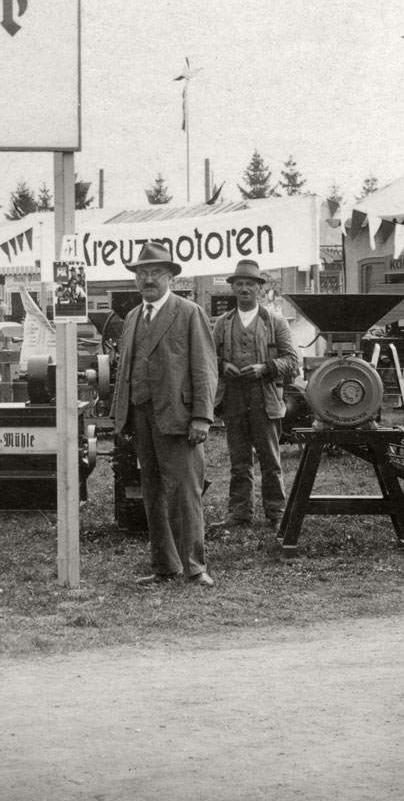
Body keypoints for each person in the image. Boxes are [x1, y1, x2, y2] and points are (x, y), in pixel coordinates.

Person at [110, 242, 219, 587]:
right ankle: (164, 566)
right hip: (142, 415)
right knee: (151, 490)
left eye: (156, 273)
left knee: (185, 492)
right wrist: (120, 416)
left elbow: (204, 368)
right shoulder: (131, 317)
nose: (148, 279)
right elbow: (124, 369)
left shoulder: (188, 312)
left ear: (170, 276)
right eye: (142, 273)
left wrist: (201, 416)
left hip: (178, 416)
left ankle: (195, 567)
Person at [210, 260, 300, 529]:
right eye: (240, 284)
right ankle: (239, 514)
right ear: (233, 289)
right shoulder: (222, 324)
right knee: (239, 461)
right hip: (234, 399)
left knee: (270, 460)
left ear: (259, 288)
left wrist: (265, 368)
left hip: (265, 398)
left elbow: (292, 361)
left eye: (250, 283)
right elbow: (207, 358)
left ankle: (276, 513)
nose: (245, 288)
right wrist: (222, 365)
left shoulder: (275, 321)